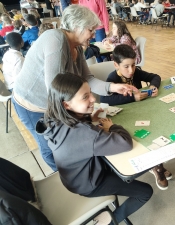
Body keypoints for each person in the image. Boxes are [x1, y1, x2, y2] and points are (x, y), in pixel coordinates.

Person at [12, 5, 137, 172]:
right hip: (32, 104)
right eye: (91, 30)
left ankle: (76, 175)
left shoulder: (77, 46)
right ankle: (65, 179)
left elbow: (88, 79)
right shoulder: (55, 39)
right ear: (77, 27)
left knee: (68, 141)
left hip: (58, 103)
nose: (94, 35)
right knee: (51, 147)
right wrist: (80, 118)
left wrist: (114, 87)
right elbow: (55, 90)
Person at [36, 73, 153, 225]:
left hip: (72, 177)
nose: (93, 99)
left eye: (90, 92)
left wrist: (90, 119)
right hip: (89, 185)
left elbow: (78, 138)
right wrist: (112, 127)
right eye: (85, 97)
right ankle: (112, 221)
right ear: (67, 105)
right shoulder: (85, 134)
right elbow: (125, 143)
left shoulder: (51, 118)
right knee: (145, 192)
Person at [100, 45, 172, 190]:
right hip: (124, 117)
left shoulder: (135, 73)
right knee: (143, 138)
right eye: (126, 66)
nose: (131, 70)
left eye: (133, 65)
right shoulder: (112, 78)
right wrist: (133, 98)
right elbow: (104, 100)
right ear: (116, 65)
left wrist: (153, 86)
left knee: (157, 129)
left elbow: (155, 77)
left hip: (142, 112)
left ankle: (157, 162)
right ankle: (157, 166)